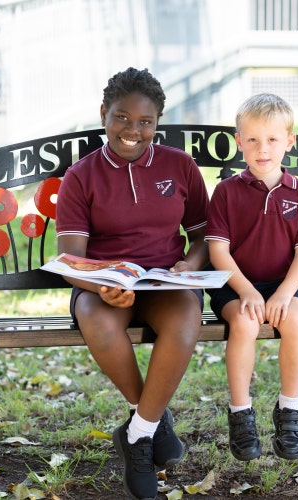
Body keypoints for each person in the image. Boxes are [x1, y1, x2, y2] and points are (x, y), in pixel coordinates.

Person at [55, 67, 209, 499]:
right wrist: (102, 284)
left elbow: (201, 236)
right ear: (104, 113)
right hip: (104, 287)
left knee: (185, 321)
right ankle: (154, 419)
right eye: (122, 117)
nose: (133, 130)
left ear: (157, 124)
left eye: (145, 122)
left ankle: (139, 433)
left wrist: (186, 266)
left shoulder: (179, 166)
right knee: (99, 321)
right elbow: (71, 258)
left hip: (164, 282)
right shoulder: (81, 176)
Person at [205, 93, 298, 461]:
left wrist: (286, 294)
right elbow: (218, 252)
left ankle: (289, 410)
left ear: (290, 142)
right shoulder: (225, 192)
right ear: (239, 142)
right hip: (236, 286)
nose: (262, 148)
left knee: (296, 319)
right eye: (252, 139)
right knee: (244, 322)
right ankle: (241, 413)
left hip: (285, 286)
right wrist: (247, 291)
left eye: (272, 139)